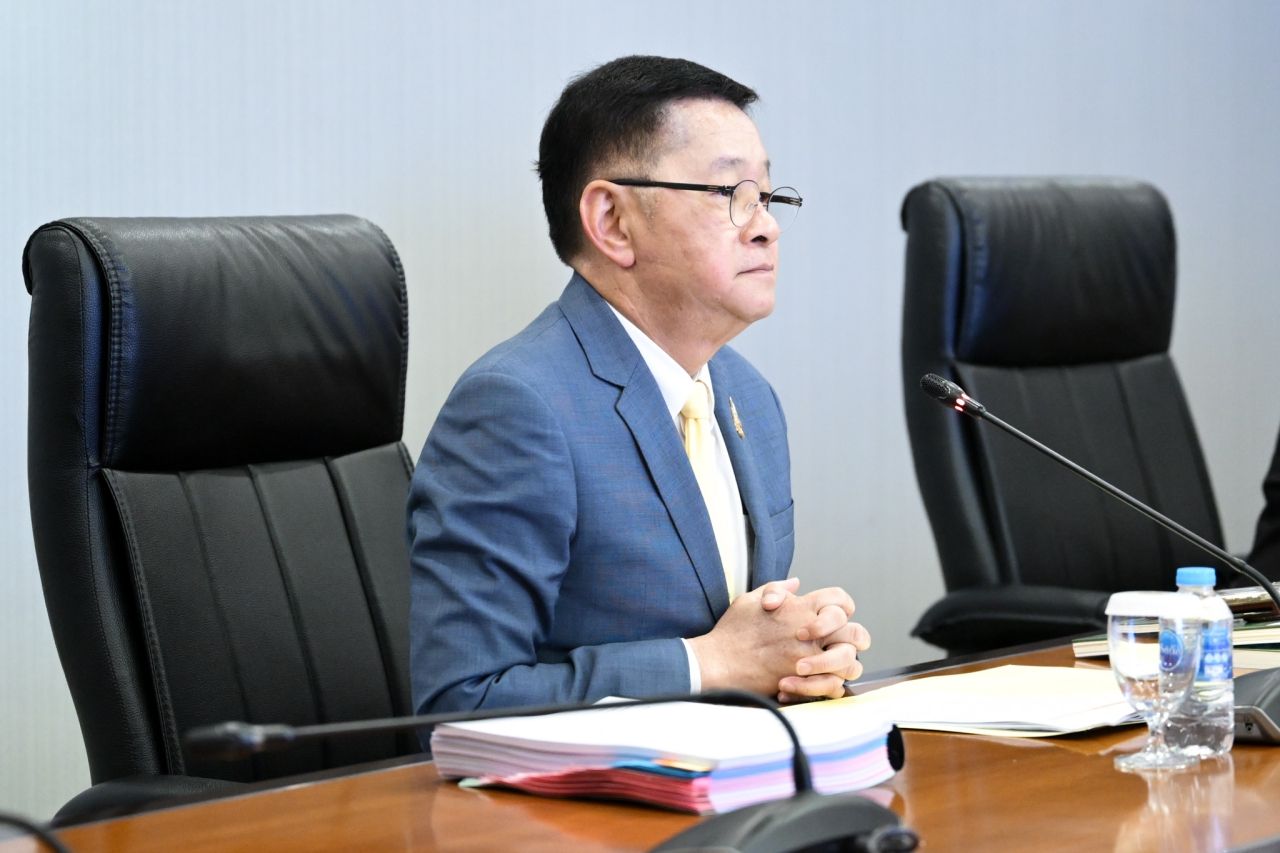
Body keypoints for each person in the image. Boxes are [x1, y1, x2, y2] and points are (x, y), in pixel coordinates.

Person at [409, 55, 869, 716]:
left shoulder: (750, 399)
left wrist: (798, 656)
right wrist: (708, 664)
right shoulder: (518, 407)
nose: (766, 225)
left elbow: (742, 648)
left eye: (768, 197)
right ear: (612, 221)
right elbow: (458, 703)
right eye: (731, 194)